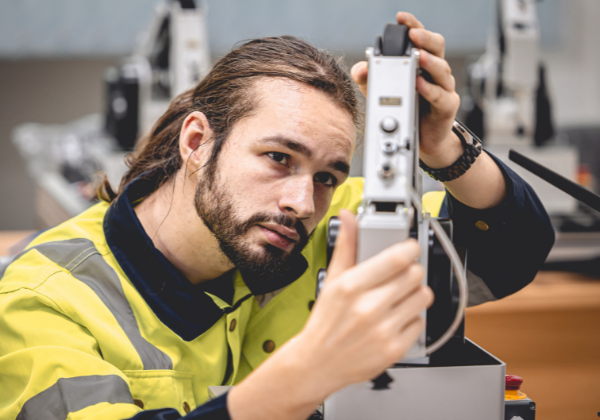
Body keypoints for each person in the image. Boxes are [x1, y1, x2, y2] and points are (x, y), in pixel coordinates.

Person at [0, 12, 554, 420]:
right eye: (277, 158)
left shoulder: (332, 225)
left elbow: (512, 248)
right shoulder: (43, 299)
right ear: (198, 142)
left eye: (327, 175)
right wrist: (308, 374)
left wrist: (443, 147)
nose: (302, 201)